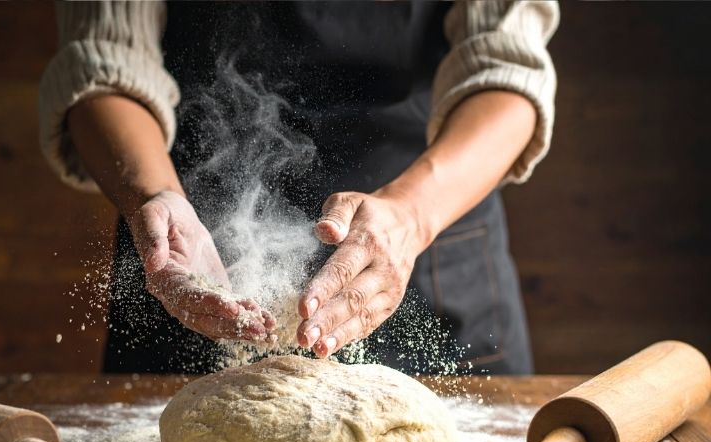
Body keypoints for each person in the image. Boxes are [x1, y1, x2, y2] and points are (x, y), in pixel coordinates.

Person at [40, 1, 559, 375]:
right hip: (197, 266)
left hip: (430, 242)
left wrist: (411, 214)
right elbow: (105, 61)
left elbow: (507, 68)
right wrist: (156, 196)